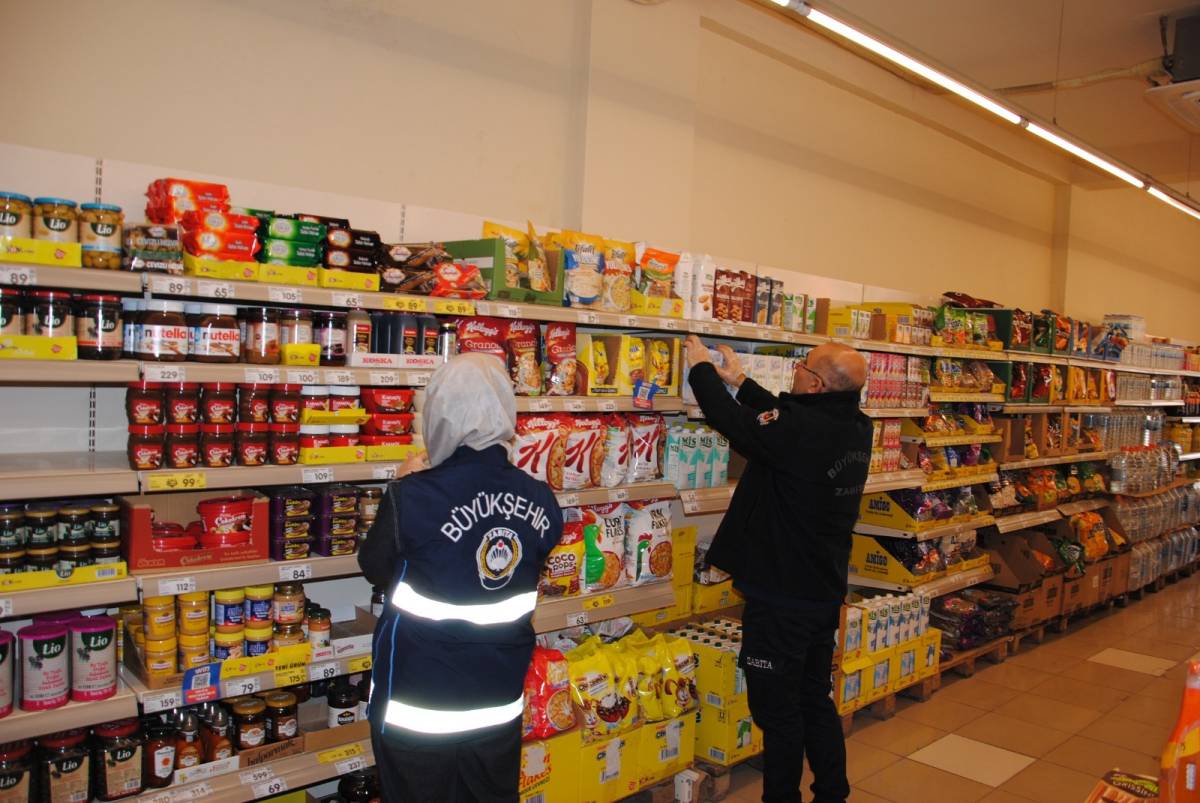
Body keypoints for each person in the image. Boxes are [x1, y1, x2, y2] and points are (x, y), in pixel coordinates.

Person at [358, 352, 563, 803]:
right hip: (496, 707)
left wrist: (401, 482)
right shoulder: (541, 499)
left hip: (418, 714)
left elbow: (374, 565)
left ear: (440, 412)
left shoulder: (413, 494)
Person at [683, 335, 872, 803]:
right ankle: (832, 793)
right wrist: (741, 381)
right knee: (814, 697)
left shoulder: (799, 429)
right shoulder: (856, 425)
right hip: (822, 589)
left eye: (801, 367)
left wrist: (701, 369)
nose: (794, 371)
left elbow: (734, 423)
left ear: (815, 383)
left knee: (777, 712)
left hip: (781, 595)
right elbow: (786, 422)